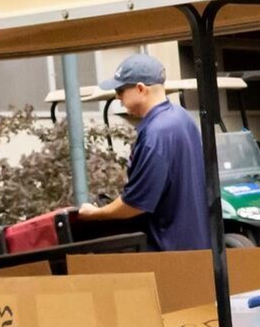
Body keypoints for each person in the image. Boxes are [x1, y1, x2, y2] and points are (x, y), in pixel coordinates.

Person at [78, 53, 210, 253]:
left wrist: (95, 213)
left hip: (168, 253)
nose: (118, 97)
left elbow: (135, 204)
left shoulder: (155, 134)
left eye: (121, 90)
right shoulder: (182, 118)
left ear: (140, 89)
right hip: (196, 245)